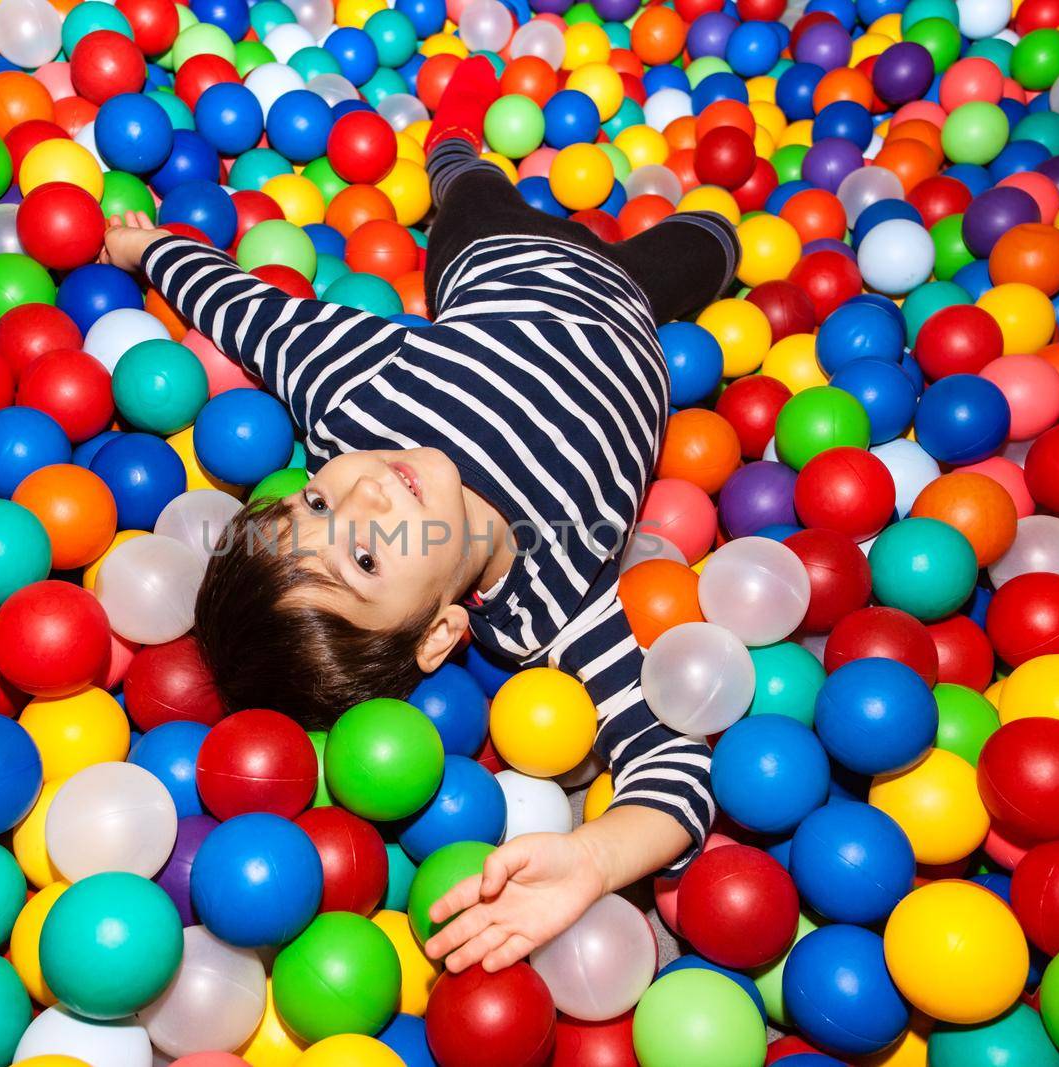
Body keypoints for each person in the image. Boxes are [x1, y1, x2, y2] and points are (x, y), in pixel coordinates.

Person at [102, 56, 740, 973]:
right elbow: (669, 763)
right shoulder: (552, 598)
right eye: (364, 560)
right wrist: (595, 858)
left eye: (314, 500)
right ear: (441, 635)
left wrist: (147, 252)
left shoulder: (354, 396)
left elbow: (243, 310)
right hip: (631, 304)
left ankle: (452, 140)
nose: (361, 495)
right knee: (716, 239)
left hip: (500, 255)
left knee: (468, 188)